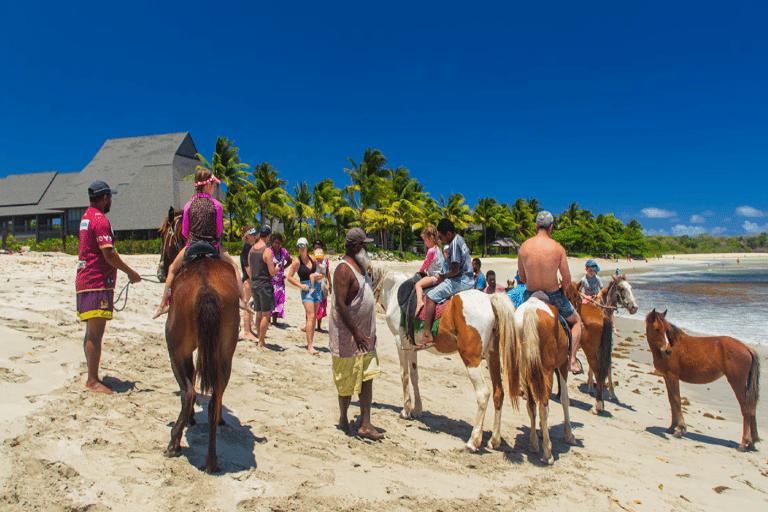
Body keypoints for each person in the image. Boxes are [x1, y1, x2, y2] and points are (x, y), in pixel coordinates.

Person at [76, 181, 141, 394]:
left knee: (92, 332)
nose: (111, 200)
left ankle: (92, 377)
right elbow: (109, 254)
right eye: (110, 197)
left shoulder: (86, 217)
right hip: (96, 283)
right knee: (96, 332)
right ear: (104, 198)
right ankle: (92, 381)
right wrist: (130, 272)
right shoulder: (100, 220)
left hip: (86, 280)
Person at [154, 169, 246, 318]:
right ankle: (242, 301)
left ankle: (163, 304)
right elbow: (218, 231)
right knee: (234, 267)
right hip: (212, 245)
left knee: (171, 269)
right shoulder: (216, 205)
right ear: (208, 185)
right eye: (212, 185)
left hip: (192, 245)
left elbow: (184, 232)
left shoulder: (188, 205)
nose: (213, 188)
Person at [329, 227, 383, 440]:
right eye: (365, 245)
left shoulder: (360, 267)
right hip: (348, 337)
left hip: (366, 336)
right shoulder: (343, 270)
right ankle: (343, 418)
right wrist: (356, 333)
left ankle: (365, 423)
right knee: (346, 380)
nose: (367, 249)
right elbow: (340, 305)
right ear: (356, 247)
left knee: (367, 376)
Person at [518, 211, 583, 374]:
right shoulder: (558, 248)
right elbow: (566, 278)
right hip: (553, 296)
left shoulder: (524, 247)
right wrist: (563, 287)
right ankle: (572, 361)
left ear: (535, 226)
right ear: (551, 227)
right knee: (577, 322)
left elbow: (522, 278)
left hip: (530, 295)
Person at [419, 218, 475, 349]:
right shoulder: (460, 239)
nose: (442, 239)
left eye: (442, 236)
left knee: (431, 296)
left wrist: (443, 276)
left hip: (460, 280)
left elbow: (455, 270)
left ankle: (427, 333)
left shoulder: (454, 244)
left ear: (448, 233)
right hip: (470, 279)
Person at [286, 237, 323, 354]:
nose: (302, 248)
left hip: (316, 286)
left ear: (307, 246)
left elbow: (321, 268)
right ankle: (310, 346)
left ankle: (311, 342)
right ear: (298, 248)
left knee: (314, 316)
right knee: (311, 316)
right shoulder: (296, 262)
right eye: (299, 246)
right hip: (306, 289)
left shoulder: (312, 258)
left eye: (303, 245)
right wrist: (301, 286)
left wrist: (320, 276)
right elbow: (289, 277)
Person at [248, 226, 279, 350]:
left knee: (258, 313)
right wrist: (277, 269)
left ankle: (259, 340)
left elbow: (250, 268)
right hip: (264, 285)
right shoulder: (266, 251)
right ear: (269, 236)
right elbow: (272, 272)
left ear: (260, 234)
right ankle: (261, 342)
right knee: (266, 314)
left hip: (254, 284)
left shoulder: (252, 249)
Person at [413, 225, 445, 315]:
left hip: (434, 277)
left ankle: (419, 302)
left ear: (431, 238)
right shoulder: (438, 248)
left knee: (418, 284)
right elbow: (433, 262)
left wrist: (422, 270)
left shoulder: (431, 250)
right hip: (441, 276)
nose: (424, 242)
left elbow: (425, 263)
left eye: (425, 239)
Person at [269, 232, 292, 326]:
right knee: (271, 300)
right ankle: (268, 320)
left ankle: (275, 321)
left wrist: (283, 268)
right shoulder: (269, 251)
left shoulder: (284, 251)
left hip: (280, 281)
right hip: (271, 281)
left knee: (279, 301)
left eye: (278, 243)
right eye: (275, 242)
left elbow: (290, 261)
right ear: (272, 243)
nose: (277, 245)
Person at [240, 226, 258, 340]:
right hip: (248, 280)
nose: (254, 237)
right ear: (248, 236)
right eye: (252, 235)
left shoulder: (249, 247)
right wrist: (254, 279)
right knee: (247, 306)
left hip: (249, 280)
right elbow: (247, 266)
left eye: (255, 235)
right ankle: (247, 331)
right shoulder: (247, 248)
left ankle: (249, 329)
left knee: (249, 305)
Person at [313, 240, 332, 332]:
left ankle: (319, 325)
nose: (317, 249)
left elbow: (327, 271)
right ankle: (309, 324)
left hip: (323, 283)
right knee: (311, 304)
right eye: (316, 248)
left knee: (321, 303)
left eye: (319, 247)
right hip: (314, 283)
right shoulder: (311, 259)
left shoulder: (325, 260)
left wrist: (330, 283)